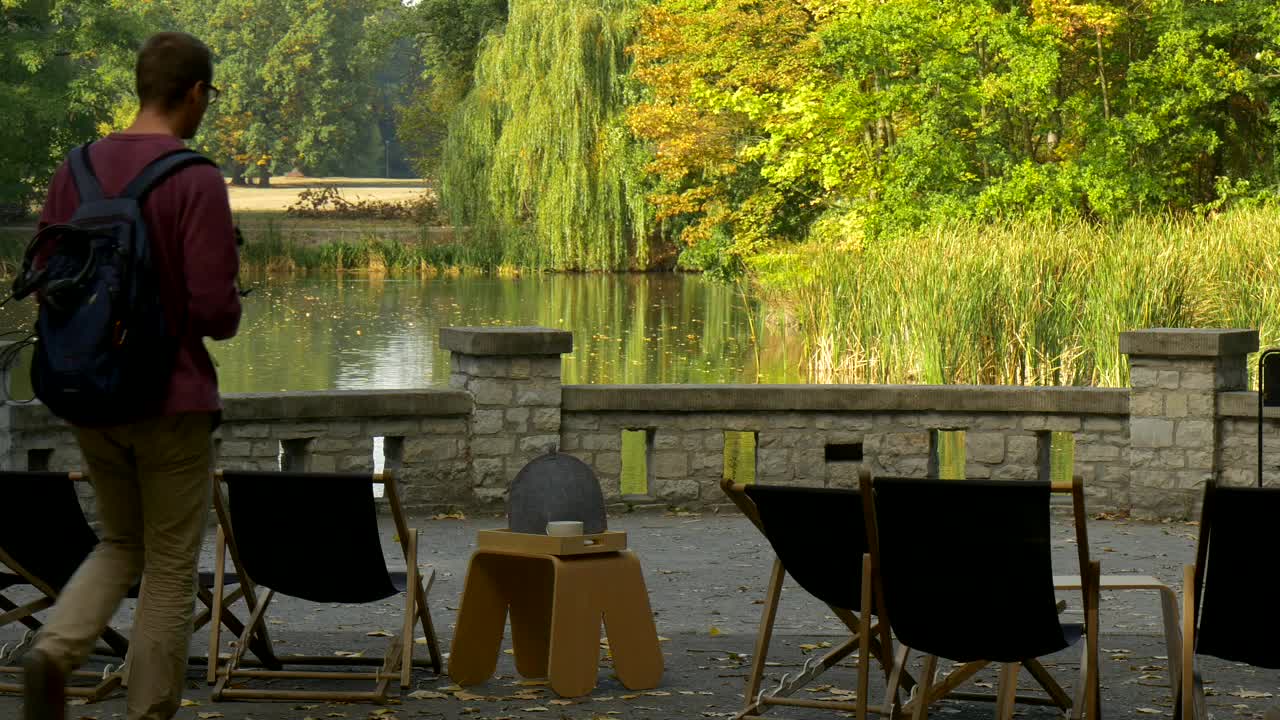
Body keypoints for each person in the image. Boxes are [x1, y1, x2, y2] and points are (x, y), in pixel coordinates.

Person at [22, 32, 241, 720]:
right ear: (196, 94)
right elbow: (213, 312)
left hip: (89, 395)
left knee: (120, 541)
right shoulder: (195, 178)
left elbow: (49, 283)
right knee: (172, 566)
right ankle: (147, 714)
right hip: (170, 400)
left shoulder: (75, 168)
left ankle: (53, 650)